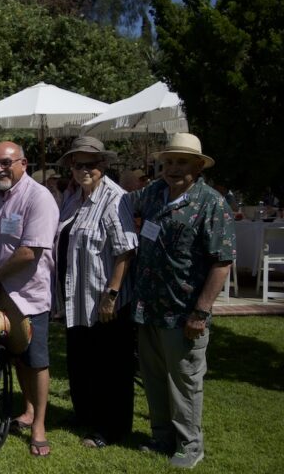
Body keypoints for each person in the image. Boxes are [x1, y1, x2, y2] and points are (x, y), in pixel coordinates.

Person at [128, 133, 235, 469]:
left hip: (184, 313)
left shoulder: (211, 203)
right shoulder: (153, 194)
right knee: (155, 376)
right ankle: (162, 436)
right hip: (148, 309)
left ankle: (190, 446)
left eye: (182, 162)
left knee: (185, 381)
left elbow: (222, 262)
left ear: (198, 166)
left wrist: (201, 312)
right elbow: (123, 199)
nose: (173, 168)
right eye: (169, 162)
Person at [54, 137, 138, 448]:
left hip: (105, 299)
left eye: (91, 164)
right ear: (71, 168)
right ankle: (85, 414)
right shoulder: (73, 198)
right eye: (79, 164)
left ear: (102, 166)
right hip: (78, 298)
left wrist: (112, 294)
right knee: (82, 360)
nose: (85, 170)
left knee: (110, 367)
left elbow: (126, 250)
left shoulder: (115, 198)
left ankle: (110, 427)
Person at [0, 141, 58, 457]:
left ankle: (39, 426)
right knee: (17, 354)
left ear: (23, 163)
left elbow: (30, 251)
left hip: (27, 295)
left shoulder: (39, 198)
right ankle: (27, 411)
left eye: (6, 163)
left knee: (36, 360)